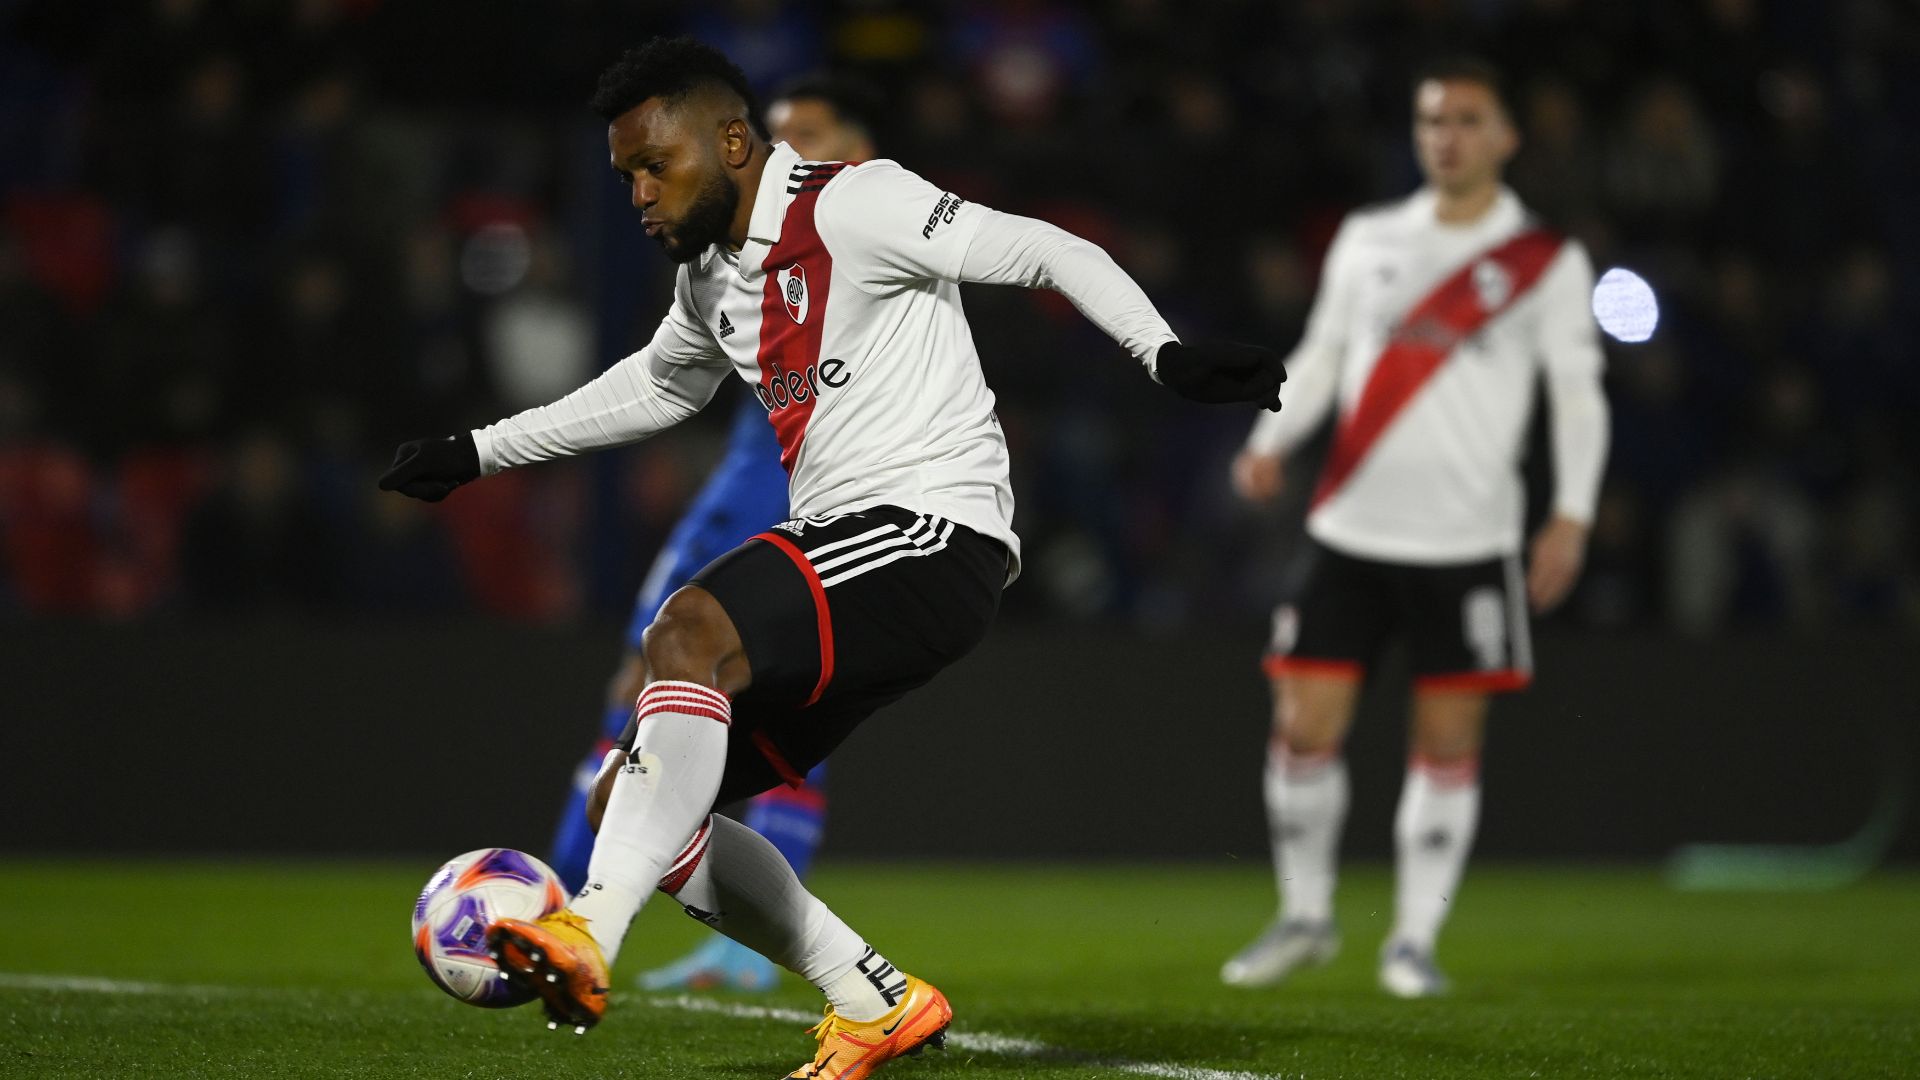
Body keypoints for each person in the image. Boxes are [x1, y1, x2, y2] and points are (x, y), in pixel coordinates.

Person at [379, 36, 1282, 1078]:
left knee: (688, 629)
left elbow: (1042, 248)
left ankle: (588, 930)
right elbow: (657, 388)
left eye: (655, 165)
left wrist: (1162, 352)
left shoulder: (856, 200)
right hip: (855, 551)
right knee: (630, 800)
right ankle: (872, 998)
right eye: (625, 175)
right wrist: (475, 452)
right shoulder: (711, 278)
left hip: (933, 529)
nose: (639, 194)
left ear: (732, 141)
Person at [1219, 56, 1608, 999]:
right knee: (1301, 726)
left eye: (1469, 120)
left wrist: (1571, 514)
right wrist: (1269, 439)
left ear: (1506, 137)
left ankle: (1413, 940)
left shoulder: (1545, 262)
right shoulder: (1370, 238)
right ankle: (1306, 916)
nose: (1448, 137)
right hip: (1351, 527)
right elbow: (1321, 355)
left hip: (1470, 540)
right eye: (1434, 120)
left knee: (1448, 741)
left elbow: (1577, 395)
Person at [544, 71, 887, 996]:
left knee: (767, 716)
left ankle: (620, 923)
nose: (785, 148)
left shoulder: (873, 242)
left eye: (809, 133)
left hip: (822, 510)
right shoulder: (751, 250)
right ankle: (567, 905)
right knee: (644, 707)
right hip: (750, 501)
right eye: (778, 133)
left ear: (858, 152)